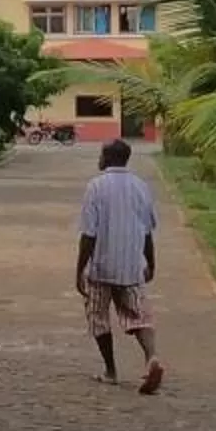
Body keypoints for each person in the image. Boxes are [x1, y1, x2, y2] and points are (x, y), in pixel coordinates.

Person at [74, 138, 165, 393]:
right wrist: (151, 263)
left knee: (98, 317)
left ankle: (111, 371)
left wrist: (80, 268)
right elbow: (147, 231)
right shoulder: (141, 187)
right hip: (131, 266)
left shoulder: (96, 187)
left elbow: (89, 234)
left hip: (101, 267)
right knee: (139, 316)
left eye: (101, 154)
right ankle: (152, 358)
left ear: (107, 157)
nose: (99, 159)